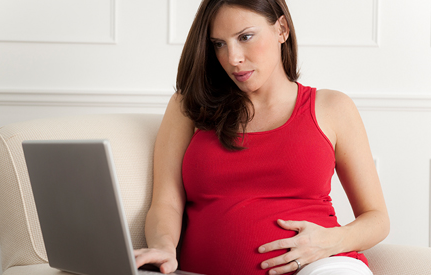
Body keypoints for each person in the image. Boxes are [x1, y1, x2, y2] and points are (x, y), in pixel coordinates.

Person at [134, 0, 390, 274]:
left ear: (282, 29)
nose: (232, 58)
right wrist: (163, 246)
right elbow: (166, 202)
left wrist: (329, 241)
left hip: (321, 267)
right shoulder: (189, 107)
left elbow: (377, 219)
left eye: (245, 37)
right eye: (219, 43)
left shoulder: (332, 107)